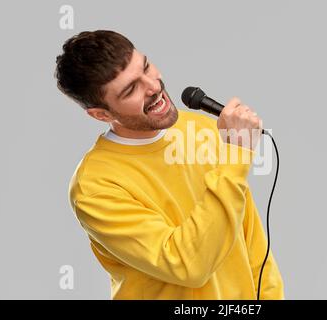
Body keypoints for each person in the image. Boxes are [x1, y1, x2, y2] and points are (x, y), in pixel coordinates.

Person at [55, 30, 284, 300]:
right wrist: (235, 156)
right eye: (131, 89)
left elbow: (251, 243)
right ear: (101, 114)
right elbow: (188, 266)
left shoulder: (204, 129)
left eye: (146, 67)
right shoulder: (95, 186)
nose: (153, 87)